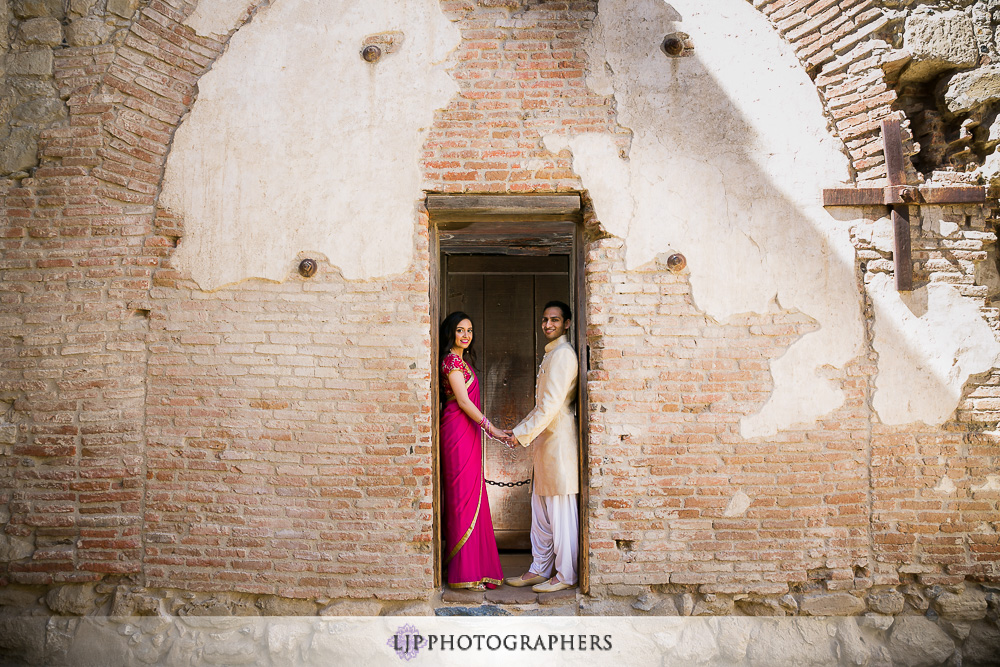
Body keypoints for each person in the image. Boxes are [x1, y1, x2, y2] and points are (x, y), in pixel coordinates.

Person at [502, 301, 579, 593]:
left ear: (566, 323)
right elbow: (541, 407)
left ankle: (566, 574)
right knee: (542, 513)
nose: (548, 325)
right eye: (545, 320)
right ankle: (539, 569)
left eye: (555, 320)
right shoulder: (552, 354)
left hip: (559, 444)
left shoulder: (562, 355)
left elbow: (549, 407)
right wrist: (518, 431)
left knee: (559, 512)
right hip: (545, 443)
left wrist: (521, 434)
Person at [439, 311, 507, 590]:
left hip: (468, 432)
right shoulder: (452, 362)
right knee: (461, 499)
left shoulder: (463, 361)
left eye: (469, 330)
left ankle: (476, 569)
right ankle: (463, 573)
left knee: (474, 495)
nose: (465, 335)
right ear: (450, 334)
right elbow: (464, 403)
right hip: (457, 432)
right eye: (459, 330)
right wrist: (493, 429)